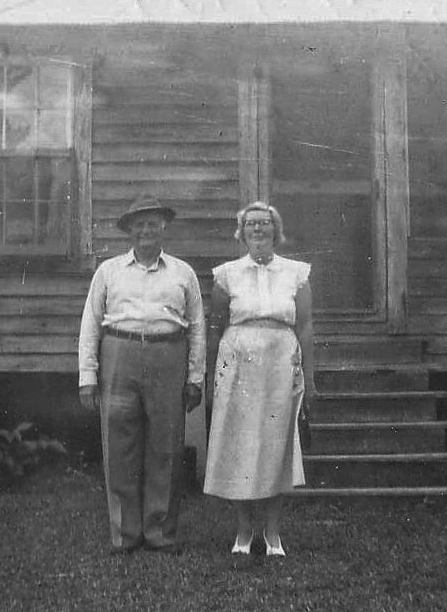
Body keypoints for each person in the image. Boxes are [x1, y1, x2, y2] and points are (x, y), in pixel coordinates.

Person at [77, 193, 206, 554]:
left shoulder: (183, 273)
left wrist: (195, 378)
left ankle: (160, 533)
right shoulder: (109, 271)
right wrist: (88, 375)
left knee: (165, 446)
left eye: (152, 223)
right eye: (139, 224)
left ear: (164, 228)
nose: (146, 230)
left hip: (169, 354)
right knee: (119, 445)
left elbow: (197, 326)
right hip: (119, 352)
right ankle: (124, 534)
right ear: (129, 231)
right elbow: (90, 323)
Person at [204, 201, 316, 558]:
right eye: (250, 223)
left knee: (275, 445)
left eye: (264, 223)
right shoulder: (226, 275)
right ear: (241, 231)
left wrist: (309, 377)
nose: (258, 229)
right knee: (237, 444)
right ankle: (243, 528)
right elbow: (216, 326)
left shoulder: (296, 273)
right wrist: (210, 376)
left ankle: (272, 532)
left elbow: (306, 326)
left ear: (275, 229)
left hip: (281, 363)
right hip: (237, 365)